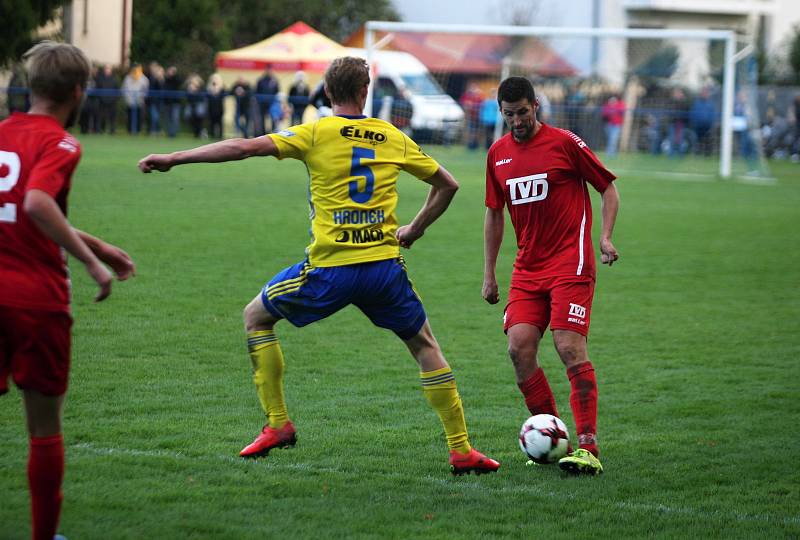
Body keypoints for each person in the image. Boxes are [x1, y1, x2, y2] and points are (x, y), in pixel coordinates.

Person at [138, 56, 500, 476]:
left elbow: (242, 147)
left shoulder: (315, 132)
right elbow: (448, 184)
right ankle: (461, 449)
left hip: (331, 270)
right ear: (367, 91)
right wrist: (414, 229)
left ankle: (278, 424)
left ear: (327, 92)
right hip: (384, 268)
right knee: (425, 346)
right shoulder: (391, 136)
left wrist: (175, 158)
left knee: (255, 317)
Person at [0, 41, 136, 540]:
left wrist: (101, 246)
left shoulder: (0, 135)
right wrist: (92, 265)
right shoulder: (61, 143)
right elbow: (36, 203)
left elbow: (19, 208)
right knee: (43, 428)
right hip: (34, 301)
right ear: (78, 92)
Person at [482, 76, 619, 476]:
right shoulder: (497, 155)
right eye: (509, 115)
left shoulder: (564, 143)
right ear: (501, 113)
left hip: (570, 262)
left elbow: (607, 188)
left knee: (568, 347)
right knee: (519, 349)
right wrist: (489, 273)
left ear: (535, 105)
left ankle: (589, 448)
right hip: (527, 268)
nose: (517, 121)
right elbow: (493, 213)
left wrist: (606, 237)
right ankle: (554, 437)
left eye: (523, 112)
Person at [121, 63, 149, 135]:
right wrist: (127, 98)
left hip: (139, 101)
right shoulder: (128, 78)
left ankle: (138, 131)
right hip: (130, 101)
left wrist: (142, 97)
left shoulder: (144, 79)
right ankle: (130, 131)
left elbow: (146, 90)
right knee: (129, 116)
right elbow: (124, 89)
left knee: (139, 117)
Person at [255, 65, 280, 135]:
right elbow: (257, 91)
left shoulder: (275, 81)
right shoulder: (261, 80)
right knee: (262, 119)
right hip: (262, 103)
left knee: (273, 118)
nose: (269, 72)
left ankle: (272, 132)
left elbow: (277, 91)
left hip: (272, 103)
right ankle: (263, 133)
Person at [94, 64, 118, 134]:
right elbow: (97, 89)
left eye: (108, 69)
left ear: (111, 70)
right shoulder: (100, 79)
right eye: (106, 69)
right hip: (102, 101)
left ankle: (112, 131)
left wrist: (114, 99)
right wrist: (101, 98)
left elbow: (117, 90)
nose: (107, 70)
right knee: (100, 117)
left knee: (112, 117)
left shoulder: (114, 79)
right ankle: (99, 130)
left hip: (112, 102)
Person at [460, 83, 484, 150]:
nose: (473, 89)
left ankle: (475, 144)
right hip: (469, 117)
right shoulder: (466, 95)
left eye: (474, 88)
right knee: (469, 131)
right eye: (472, 88)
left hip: (478, 117)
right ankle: (469, 144)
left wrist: (473, 106)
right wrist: (466, 105)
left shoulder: (479, 96)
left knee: (476, 131)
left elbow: (482, 104)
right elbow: (462, 103)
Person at [163, 66, 183, 138]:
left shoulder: (177, 79)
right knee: (168, 119)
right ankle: (169, 133)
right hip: (167, 102)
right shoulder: (165, 79)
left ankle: (173, 134)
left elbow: (179, 82)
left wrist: (174, 75)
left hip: (175, 102)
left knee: (175, 118)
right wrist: (167, 76)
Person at [206, 73, 225, 140]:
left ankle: (220, 135)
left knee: (219, 122)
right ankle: (212, 135)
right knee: (212, 121)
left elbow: (223, 96)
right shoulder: (208, 88)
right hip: (211, 107)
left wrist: (217, 91)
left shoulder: (222, 88)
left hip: (219, 107)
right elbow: (207, 96)